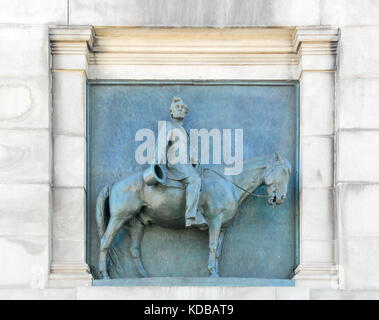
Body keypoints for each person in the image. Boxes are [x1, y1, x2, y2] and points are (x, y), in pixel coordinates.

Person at [156, 97, 208, 229]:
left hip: (186, 165)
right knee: (195, 180)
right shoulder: (168, 126)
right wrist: (156, 163)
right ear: (171, 112)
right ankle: (191, 217)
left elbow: (188, 149)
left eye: (183, 108)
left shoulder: (185, 131)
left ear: (185, 113)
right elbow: (161, 144)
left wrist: (194, 161)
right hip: (176, 165)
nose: (180, 109)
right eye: (177, 107)